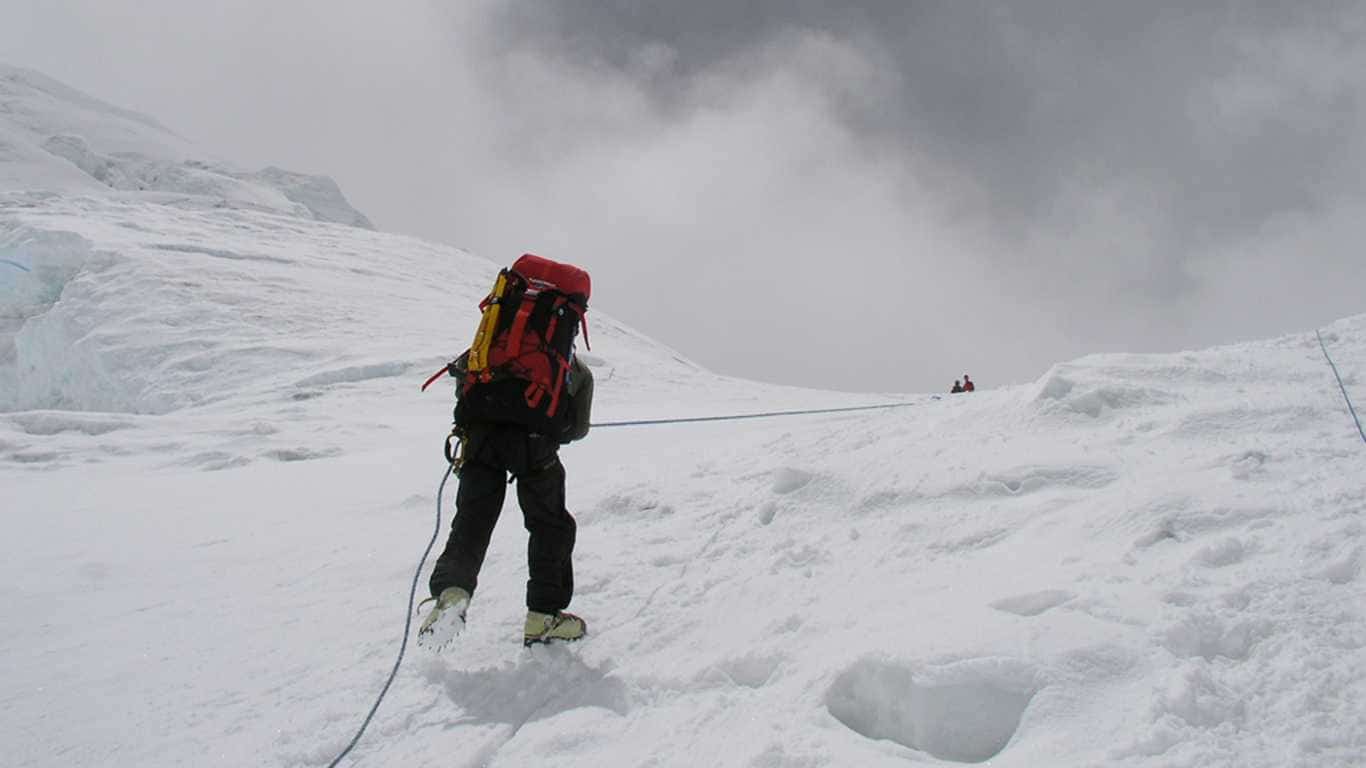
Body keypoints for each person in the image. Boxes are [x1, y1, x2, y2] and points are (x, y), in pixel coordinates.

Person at [419, 257, 595, 649]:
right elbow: (577, 428)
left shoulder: (492, 340)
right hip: (535, 446)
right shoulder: (567, 364)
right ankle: (544, 616)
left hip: (479, 436)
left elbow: (465, 380)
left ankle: (452, 593)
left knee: (473, 519)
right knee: (550, 525)